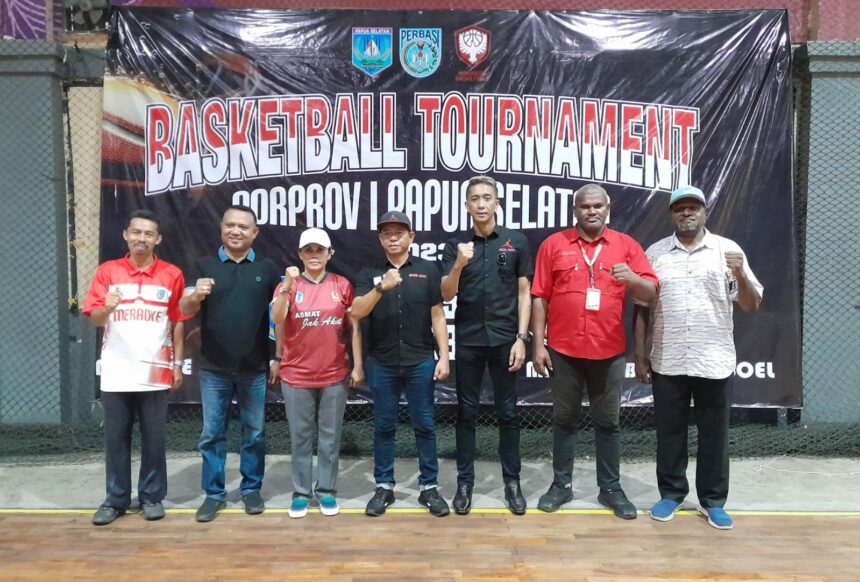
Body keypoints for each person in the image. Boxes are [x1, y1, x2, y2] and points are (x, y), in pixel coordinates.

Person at [633, 185, 762, 530]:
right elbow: (642, 308)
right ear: (671, 214)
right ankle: (671, 494)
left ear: (705, 212)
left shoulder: (728, 250)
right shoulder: (655, 253)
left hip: (713, 360)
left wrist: (740, 275)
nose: (687, 213)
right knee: (669, 433)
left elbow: (751, 304)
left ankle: (713, 501)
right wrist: (641, 355)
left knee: (714, 436)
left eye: (693, 208)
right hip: (668, 358)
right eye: (680, 208)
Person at [531, 183, 657, 519]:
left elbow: (650, 291)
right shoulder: (554, 245)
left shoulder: (626, 246)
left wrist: (632, 278)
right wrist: (538, 344)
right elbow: (539, 295)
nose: (591, 211)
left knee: (608, 422)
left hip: (609, 350)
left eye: (597, 206)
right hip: (563, 350)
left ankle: (610, 488)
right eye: (585, 206)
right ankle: (561, 485)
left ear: (607, 209)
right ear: (575, 210)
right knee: (564, 419)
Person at [83, 209, 188, 525]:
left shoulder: (172, 274)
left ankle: (151, 497)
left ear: (158, 239)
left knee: (154, 440)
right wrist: (106, 308)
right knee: (116, 440)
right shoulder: (107, 272)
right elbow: (95, 319)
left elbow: (178, 320)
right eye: (136, 232)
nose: (142, 238)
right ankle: (115, 500)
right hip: (117, 372)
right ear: (126, 235)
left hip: (155, 372)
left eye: (148, 234)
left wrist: (177, 364)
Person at [179, 205, 281, 523]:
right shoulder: (204, 265)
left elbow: (277, 318)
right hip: (214, 369)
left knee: (255, 434)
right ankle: (214, 494)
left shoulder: (267, 268)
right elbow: (184, 307)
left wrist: (276, 357)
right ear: (221, 228)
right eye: (230, 225)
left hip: (255, 368)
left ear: (255, 233)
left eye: (243, 227)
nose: (236, 231)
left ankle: (251, 490)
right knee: (212, 434)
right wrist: (196, 296)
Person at [440, 176, 533, 515]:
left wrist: (522, 338)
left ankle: (512, 482)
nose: (481, 204)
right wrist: (458, 264)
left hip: (506, 340)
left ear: (497, 203)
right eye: (475, 198)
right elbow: (446, 293)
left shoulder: (516, 241)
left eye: (487, 198)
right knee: (466, 413)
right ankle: (465, 483)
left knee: (508, 413)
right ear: (466, 205)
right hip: (468, 340)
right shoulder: (456, 245)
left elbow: (524, 293)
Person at [351, 211, 451, 517]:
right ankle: (384, 486)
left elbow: (437, 314)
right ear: (380, 239)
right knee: (384, 426)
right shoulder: (369, 272)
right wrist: (381, 287)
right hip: (381, 362)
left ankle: (429, 487)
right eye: (387, 233)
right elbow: (357, 312)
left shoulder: (427, 269)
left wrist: (444, 356)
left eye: (399, 232)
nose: (393, 238)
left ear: (411, 237)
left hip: (420, 361)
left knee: (425, 425)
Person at [270, 228, 364, 519]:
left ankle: (326, 491)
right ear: (299, 254)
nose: (314, 255)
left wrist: (357, 365)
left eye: (319, 250)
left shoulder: (341, 285)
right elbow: (276, 319)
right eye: (308, 250)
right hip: (296, 375)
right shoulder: (287, 285)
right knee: (300, 438)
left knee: (329, 437)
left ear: (329, 254)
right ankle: (300, 494)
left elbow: (354, 327)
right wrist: (286, 286)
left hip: (334, 374)